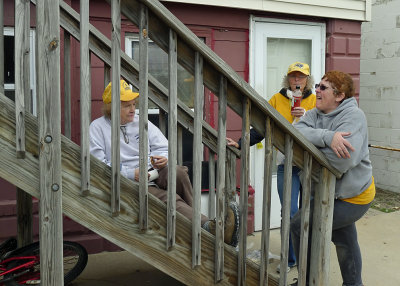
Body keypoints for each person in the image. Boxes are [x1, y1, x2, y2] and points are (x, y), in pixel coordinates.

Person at [89, 79, 239, 247]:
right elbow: (98, 165)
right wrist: (131, 173)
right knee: (170, 197)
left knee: (178, 172)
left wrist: (161, 158)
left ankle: (199, 226)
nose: (133, 109)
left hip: (151, 172)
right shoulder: (97, 128)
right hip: (125, 182)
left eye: (133, 104)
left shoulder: (141, 122)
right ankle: (208, 227)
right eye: (127, 106)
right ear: (112, 107)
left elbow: (163, 146)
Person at [226, 62, 316, 272]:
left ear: (307, 80)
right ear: (288, 79)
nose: (297, 81)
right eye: (293, 76)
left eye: (301, 77)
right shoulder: (277, 99)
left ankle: (307, 258)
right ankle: (290, 259)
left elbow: (323, 129)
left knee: (309, 213)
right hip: (286, 163)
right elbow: (261, 127)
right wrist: (240, 142)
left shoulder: (314, 100)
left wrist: (307, 118)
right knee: (290, 212)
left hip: (311, 165)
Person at [290, 71, 375, 286]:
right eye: (318, 85)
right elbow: (295, 131)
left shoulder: (354, 117)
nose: (316, 90)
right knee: (343, 238)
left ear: (339, 96)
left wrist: (308, 154)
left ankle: (308, 281)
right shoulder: (314, 114)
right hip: (328, 191)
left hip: (354, 195)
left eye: (323, 87)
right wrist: (328, 137)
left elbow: (342, 162)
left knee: (301, 225)